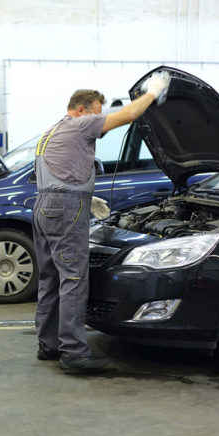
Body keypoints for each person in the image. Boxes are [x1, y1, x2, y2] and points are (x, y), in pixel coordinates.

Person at [33, 72, 170, 375]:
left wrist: (85, 195)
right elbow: (130, 114)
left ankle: (49, 344)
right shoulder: (81, 123)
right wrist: (152, 92)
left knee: (51, 279)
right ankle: (74, 353)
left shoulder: (50, 132)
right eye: (97, 112)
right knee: (73, 279)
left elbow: (55, 172)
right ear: (81, 110)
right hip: (66, 208)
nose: (99, 122)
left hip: (44, 205)